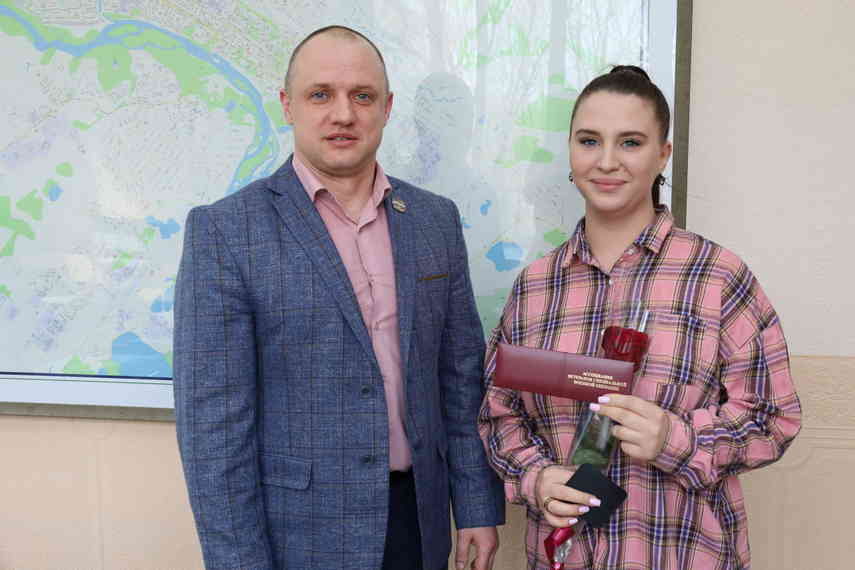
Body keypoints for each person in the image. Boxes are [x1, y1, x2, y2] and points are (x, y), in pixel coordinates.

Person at [173, 25, 504, 570]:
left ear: (387, 108)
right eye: (320, 94)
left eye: (362, 96)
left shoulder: (435, 221)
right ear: (288, 105)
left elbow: (460, 376)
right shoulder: (227, 232)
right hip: (296, 535)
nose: (343, 114)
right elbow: (214, 433)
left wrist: (474, 507)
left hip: (417, 524)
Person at [477, 66, 801, 569]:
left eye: (630, 142)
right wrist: (536, 478)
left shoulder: (718, 277)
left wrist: (676, 439)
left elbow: (772, 418)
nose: (607, 161)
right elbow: (500, 415)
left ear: (662, 154)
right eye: (589, 140)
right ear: (570, 150)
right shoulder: (534, 288)